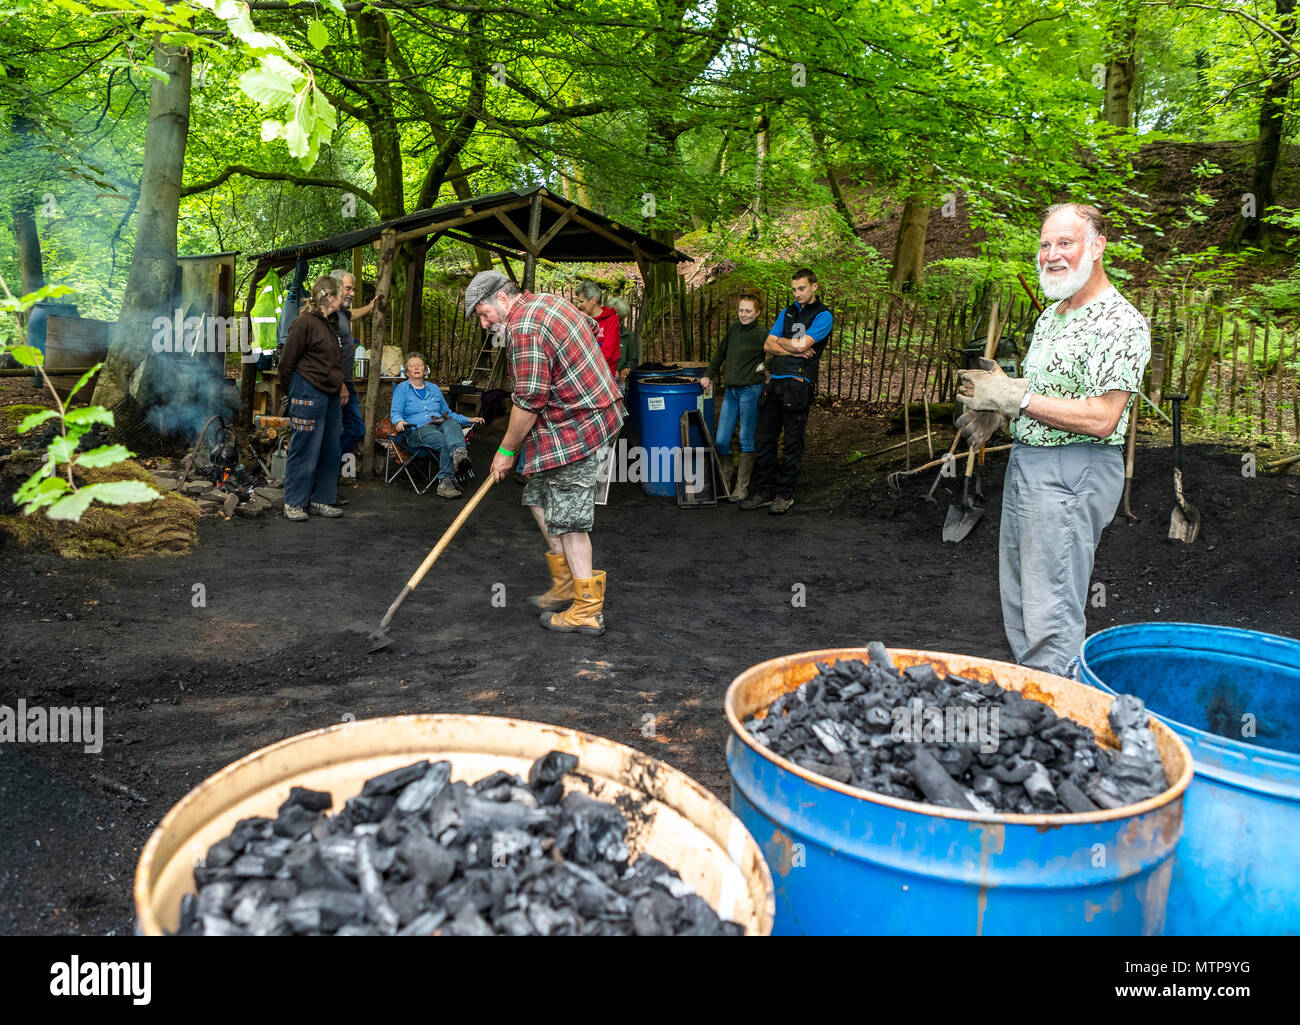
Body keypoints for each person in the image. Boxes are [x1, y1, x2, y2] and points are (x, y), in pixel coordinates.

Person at [956, 202, 1150, 676]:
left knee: (1053, 611)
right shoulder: (1052, 316)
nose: (1051, 254)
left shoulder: (1120, 322)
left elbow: (1104, 418)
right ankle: (1035, 703)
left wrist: (1014, 397)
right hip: (1028, 463)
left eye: (1065, 243)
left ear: (1097, 247)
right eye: (1045, 244)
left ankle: (1062, 722)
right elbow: (1042, 397)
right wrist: (998, 407)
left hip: (1076, 468)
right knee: (1022, 602)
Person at [466, 270, 623, 636]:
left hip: (580, 426)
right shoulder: (546, 302)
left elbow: (530, 399)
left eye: (485, 314)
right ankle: (567, 581)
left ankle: (586, 609)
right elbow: (592, 328)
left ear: (503, 300)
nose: (486, 323)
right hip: (568, 420)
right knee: (538, 498)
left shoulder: (524, 330)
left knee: (568, 518)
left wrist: (506, 450)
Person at [739, 268, 834, 515]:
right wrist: (790, 347)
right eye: (794, 289)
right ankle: (765, 490)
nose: (797, 293)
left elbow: (803, 344)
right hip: (774, 381)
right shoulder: (788, 311)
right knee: (765, 438)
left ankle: (784, 494)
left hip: (799, 383)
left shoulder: (823, 315)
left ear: (814, 286)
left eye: (801, 288)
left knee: (792, 441)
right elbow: (767, 344)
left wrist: (783, 343)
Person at [279, 276, 347, 521]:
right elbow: (286, 364)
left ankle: (322, 499)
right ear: (328, 296)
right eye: (341, 294)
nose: (344, 298)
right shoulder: (304, 323)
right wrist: (295, 393)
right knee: (305, 447)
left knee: (331, 448)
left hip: (329, 394)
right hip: (308, 392)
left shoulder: (331, 324)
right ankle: (295, 503)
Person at [701, 295, 767, 501]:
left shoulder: (762, 334)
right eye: (741, 310)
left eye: (748, 311)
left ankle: (742, 487)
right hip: (731, 391)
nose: (744, 314)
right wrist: (708, 374)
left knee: (746, 438)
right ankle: (725, 480)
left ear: (757, 313)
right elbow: (720, 354)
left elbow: (775, 354)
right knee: (721, 440)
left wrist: (765, 368)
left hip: (751, 390)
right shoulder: (734, 330)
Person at [390, 353, 484, 498]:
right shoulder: (402, 389)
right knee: (447, 441)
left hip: (439, 424)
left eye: (419, 365)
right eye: (412, 365)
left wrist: (469, 420)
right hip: (417, 430)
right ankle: (446, 482)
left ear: (425, 369)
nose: (416, 368)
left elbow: (448, 413)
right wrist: (399, 421)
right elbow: (395, 412)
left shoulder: (433, 388)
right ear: (407, 371)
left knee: (450, 422)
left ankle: (459, 454)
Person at [329, 269, 374, 465]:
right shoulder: (328, 317)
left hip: (347, 383)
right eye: (348, 288)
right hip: (338, 385)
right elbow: (329, 357)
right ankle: (327, 471)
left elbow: (351, 314)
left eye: (353, 289)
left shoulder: (340, 313)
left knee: (357, 430)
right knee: (333, 431)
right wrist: (341, 386)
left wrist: (370, 307)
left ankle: (330, 466)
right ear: (336, 287)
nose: (352, 293)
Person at [573, 281, 620, 379]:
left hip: (603, 376)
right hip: (582, 375)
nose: (578, 305)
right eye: (577, 301)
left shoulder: (611, 320)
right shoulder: (580, 319)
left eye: (581, 301)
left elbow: (608, 352)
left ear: (593, 300)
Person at [611, 296, 639, 391]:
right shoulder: (601, 332)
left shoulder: (628, 336)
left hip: (620, 384)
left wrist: (627, 368)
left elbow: (633, 359)